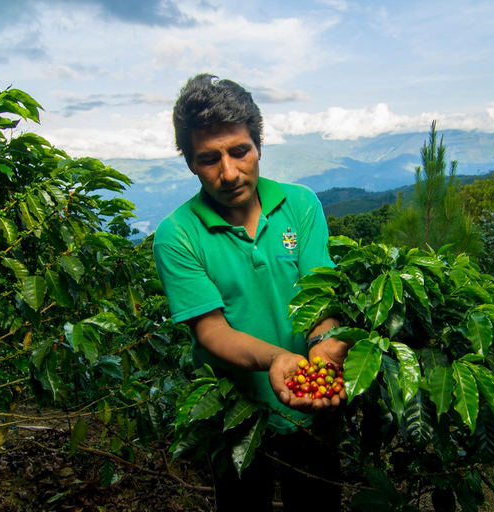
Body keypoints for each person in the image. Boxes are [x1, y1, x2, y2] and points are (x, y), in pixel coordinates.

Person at [153, 74, 350, 511]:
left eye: (240, 151)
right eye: (208, 159)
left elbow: (320, 295)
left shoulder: (300, 205)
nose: (229, 172)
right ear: (189, 163)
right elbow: (211, 331)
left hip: (313, 405)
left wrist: (322, 343)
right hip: (235, 414)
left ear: (258, 145)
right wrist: (277, 358)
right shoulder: (177, 235)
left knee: (318, 502)